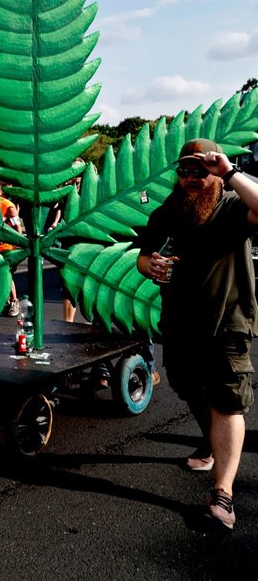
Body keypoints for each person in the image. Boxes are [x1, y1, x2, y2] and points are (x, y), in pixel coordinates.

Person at [137, 138, 258, 530]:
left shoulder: (234, 208)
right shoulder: (168, 213)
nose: (191, 178)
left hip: (229, 319)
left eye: (200, 171)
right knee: (187, 385)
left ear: (216, 172)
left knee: (227, 399)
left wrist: (231, 172)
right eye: (185, 170)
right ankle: (210, 443)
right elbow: (143, 255)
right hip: (180, 320)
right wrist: (149, 265)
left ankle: (222, 494)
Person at [0, 178, 23, 317]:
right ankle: (6, 301)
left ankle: (14, 301)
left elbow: (17, 227)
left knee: (6, 274)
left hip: (7, 247)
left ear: (1, 192)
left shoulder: (8, 206)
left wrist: (18, 247)